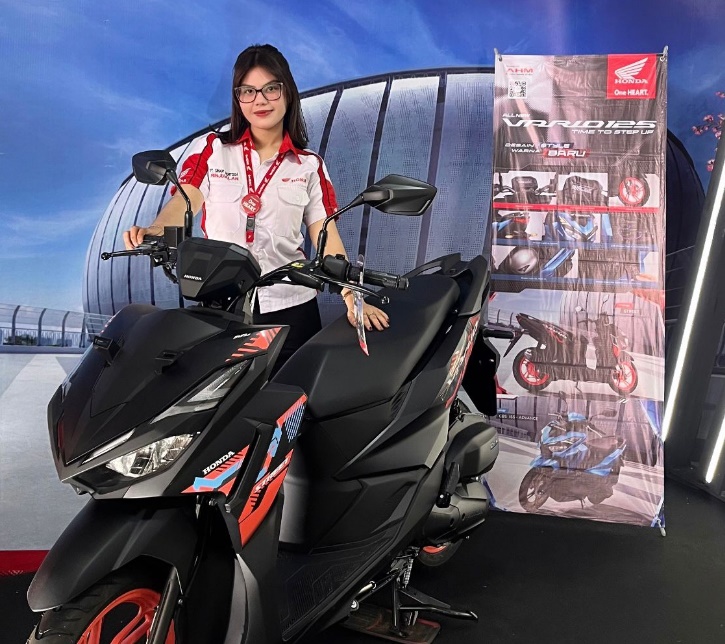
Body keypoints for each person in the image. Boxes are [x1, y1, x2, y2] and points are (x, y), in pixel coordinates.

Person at [124, 44, 389, 367]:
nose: (259, 100)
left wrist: (352, 297)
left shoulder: (309, 165)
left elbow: (325, 233)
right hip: (221, 306)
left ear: (287, 92)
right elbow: (186, 197)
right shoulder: (213, 149)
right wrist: (156, 229)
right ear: (238, 99)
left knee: (293, 397)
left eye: (270, 89)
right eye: (247, 91)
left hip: (292, 309)